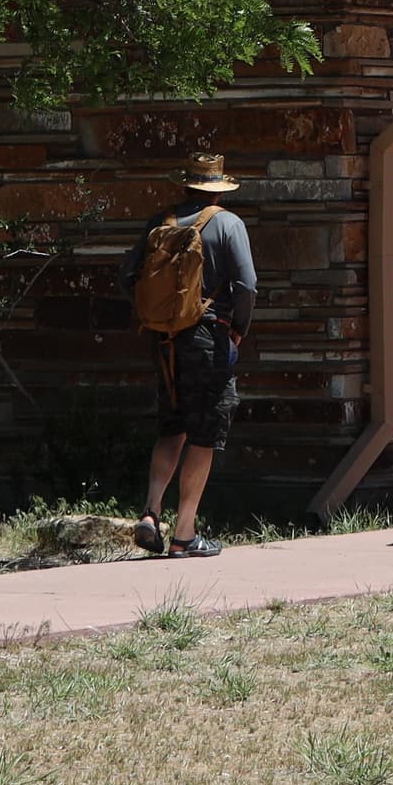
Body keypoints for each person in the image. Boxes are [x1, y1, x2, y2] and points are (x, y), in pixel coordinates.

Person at [133, 153, 255, 558]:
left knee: (172, 426)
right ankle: (184, 534)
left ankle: (151, 512)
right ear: (218, 190)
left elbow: (127, 277)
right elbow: (247, 285)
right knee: (204, 435)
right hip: (209, 339)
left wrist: (158, 318)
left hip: (163, 340)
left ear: (185, 185)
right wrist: (238, 329)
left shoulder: (160, 223)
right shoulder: (228, 223)